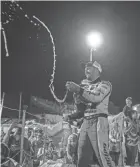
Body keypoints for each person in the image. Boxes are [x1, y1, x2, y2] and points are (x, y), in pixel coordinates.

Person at [64, 61, 115, 167]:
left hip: (99, 121)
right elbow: (81, 111)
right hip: (85, 122)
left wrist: (79, 89)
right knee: (81, 156)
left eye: (89, 67)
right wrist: (72, 113)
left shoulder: (105, 84)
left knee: (103, 156)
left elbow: (96, 98)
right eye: (85, 67)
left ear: (97, 69)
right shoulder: (84, 87)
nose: (86, 69)